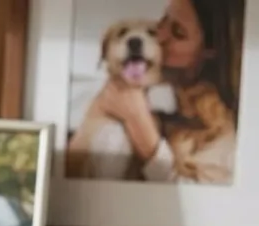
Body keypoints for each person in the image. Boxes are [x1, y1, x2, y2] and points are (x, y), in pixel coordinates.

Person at [97, 0, 244, 184]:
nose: (159, 37)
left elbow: (207, 203)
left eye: (178, 33)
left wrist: (148, 141)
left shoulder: (226, 137)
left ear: (210, 52)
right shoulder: (161, 98)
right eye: (163, 21)